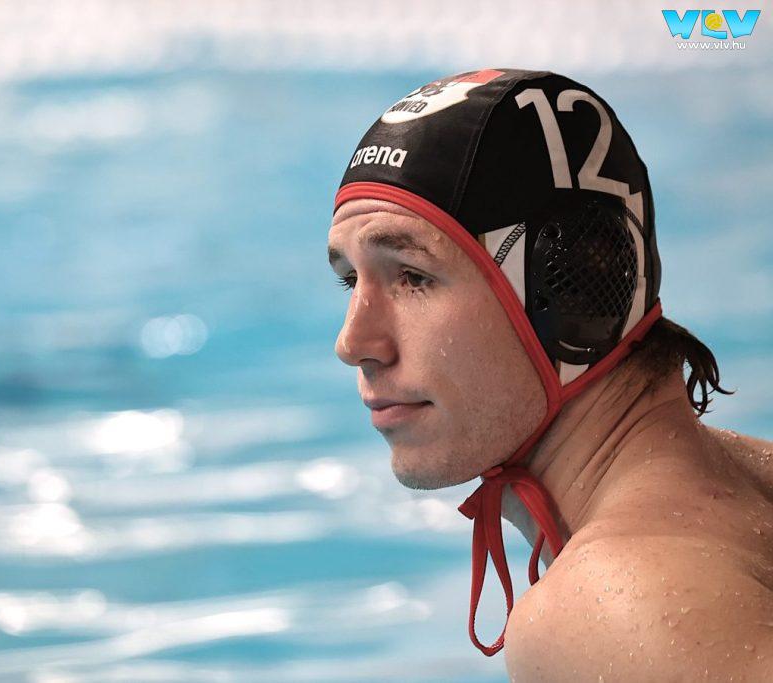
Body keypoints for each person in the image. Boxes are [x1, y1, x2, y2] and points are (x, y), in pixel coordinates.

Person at [327, 68, 773, 681]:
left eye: (413, 277)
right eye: (350, 280)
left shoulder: (609, 608)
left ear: (572, 292)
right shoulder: (747, 486)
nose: (353, 343)